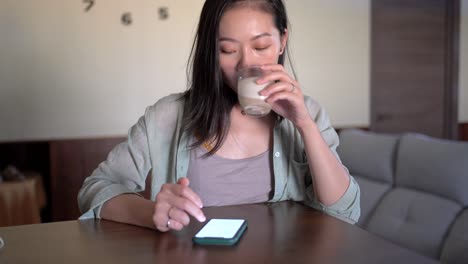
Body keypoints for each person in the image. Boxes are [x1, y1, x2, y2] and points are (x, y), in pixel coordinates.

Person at [78, 0, 360, 232]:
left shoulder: (308, 113)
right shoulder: (169, 116)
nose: (246, 64)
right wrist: (153, 212)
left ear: (282, 41)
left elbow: (344, 209)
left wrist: (304, 124)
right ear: (210, 51)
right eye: (228, 50)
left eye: (261, 47)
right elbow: (96, 188)